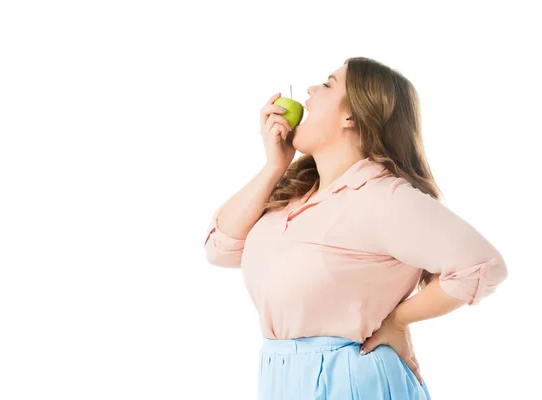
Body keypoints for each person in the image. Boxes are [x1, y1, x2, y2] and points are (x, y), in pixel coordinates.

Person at [203, 56, 508, 399]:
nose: (310, 89)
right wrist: (274, 166)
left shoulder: (382, 197)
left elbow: (483, 266)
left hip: (351, 380)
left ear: (351, 115)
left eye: (328, 84)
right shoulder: (294, 196)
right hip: (280, 378)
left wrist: (398, 320)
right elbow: (220, 248)